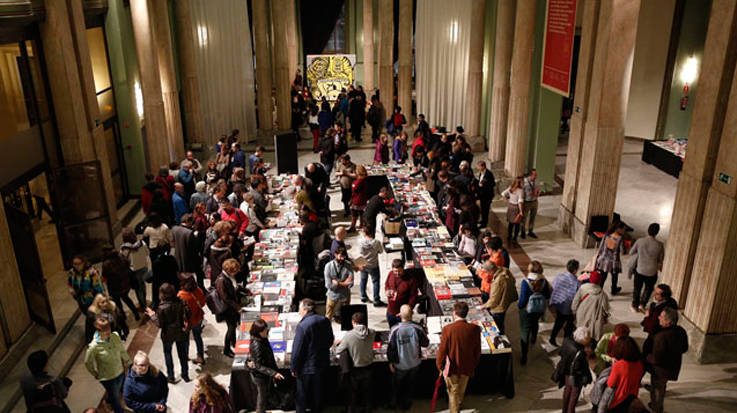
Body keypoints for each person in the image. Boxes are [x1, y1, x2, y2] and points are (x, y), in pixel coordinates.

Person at [436, 302, 481, 413]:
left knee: (453, 392)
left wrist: (439, 366)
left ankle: (454, 410)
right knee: (461, 389)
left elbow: (442, 350)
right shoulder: (474, 328)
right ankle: (458, 404)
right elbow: (477, 350)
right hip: (467, 365)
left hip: (452, 368)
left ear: (454, 313)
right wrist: (473, 363)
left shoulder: (448, 329)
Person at [291, 299, 334, 413]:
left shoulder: (303, 326)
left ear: (305, 309)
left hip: (306, 368)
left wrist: (294, 367)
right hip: (322, 364)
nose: (299, 312)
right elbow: (330, 340)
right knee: (318, 396)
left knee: (302, 398)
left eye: (300, 309)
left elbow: (297, 349)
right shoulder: (324, 320)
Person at [644, 307, 688, 413]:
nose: (659, 317)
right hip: (672, 366)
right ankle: (657, 405)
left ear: (668, 321)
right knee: (662, 386)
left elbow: (656, 359)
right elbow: (685, 348)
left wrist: (647, 357)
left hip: (661, 370)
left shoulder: (661, 336)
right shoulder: (681, 331)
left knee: (657, 389)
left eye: (662, 316)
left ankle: (656, 407)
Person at [84, 317, 131, 413]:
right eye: (105, 330)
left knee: (118, 391)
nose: (108, 331)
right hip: (108, 377)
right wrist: (95, 373)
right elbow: (87, 362)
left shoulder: (115, 336)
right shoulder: (94, 347)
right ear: (98, 330)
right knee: (115, 398)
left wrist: (129, 362)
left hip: (120, 371)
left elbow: (121, 350)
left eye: (109, 328)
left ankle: (108, 400)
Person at [146, 283, 190, 383]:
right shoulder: (181, 301)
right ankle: (185, 375)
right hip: (180, 332)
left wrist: (152, 315)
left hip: (167, 334)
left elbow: (160, 324)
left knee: (167, 353)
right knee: (182, 354)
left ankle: (171, 376)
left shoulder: (162, 308)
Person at [387, 305, 428, 410]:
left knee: (396, 386)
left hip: (400, 365)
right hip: (415, 363)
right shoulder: (418, 328)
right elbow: (425, 343)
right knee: (410, 385)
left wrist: (391, 362)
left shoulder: (395, 329)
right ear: (412, 314)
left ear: (399, 315)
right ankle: (406, 404)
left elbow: (391, 348)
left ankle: (393, 403)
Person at [335, 312, 375, 412]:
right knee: (368, 392)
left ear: (353, 322)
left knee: (352, 393)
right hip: (369, 367)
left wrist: (341, 342)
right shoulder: (372, 332)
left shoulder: (349, 336)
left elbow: (338, 350)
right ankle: (368, 409)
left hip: (355, 369)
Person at [518, 261, 552, 365]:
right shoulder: (544, 282)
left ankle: (524, 355)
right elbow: (547, 296)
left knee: (524, 330)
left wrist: (520, 307)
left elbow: (523, 300)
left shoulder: (526, 282)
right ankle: (533, 338)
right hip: (538, 310)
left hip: (527, 311)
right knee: (535, 323)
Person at [552, 327, 593, 413]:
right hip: (576, 377)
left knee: (567, 392)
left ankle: (564, 410)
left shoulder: (566, 341)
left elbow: (561, 353)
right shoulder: (580, 352)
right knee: (574, 396)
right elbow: (580, 367)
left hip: (566, 372)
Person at [249, 319, 285, 413]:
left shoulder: (261, 338)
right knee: (262, 396)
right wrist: (273, 373)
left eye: (266, 330)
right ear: (258, 332)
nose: (267, 332)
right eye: (264, 331)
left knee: (264, 394)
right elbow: (258, 365)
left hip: (264, 373)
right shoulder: (257, 345)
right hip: (260, 376)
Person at [603, 337, 645, 412]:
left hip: (618, 400)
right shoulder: (639, 364)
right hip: (632, 398)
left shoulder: (618, 365)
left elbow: (610, 384)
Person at [629, 223, 665, 312]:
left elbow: (631, 252)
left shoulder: (640, 241)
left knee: (637, 288)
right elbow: (661, 259)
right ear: (657, 232)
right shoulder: (660, 244)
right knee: (648, 289)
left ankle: (634, 305)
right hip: (652, 271)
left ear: (648, 230)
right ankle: (642, 304)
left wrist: (640, 253)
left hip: (640, 269)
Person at [101, 246, 140, 321]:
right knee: (127, 299)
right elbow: (128, 264)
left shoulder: (106, 264)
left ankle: (123, 316)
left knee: (118, 303)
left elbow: (104, 276)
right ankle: (136, 314)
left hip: (114, 287)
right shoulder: (121, 256)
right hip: (125, 283)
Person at [477, 263, 518, 334]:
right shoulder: (505, 270)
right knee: (501, 321)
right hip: (506, 301)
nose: (487, 274)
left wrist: (483, 306)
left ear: (491, 271)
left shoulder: (498, 281)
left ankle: (500, 337)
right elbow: (514, 281)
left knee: (498, 324)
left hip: (499, 307)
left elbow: (494, 300)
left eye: (487, 272)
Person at [549, 259, 581, 346]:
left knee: (558, 322)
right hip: (568, 307)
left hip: (559, 304)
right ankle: (565, 344)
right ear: (575, 270)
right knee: (569, 326)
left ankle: (552, 338)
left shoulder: (559, 276)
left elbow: (553, 286)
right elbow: (577, 296)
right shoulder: (576, 282)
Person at [571, 270, 610, 341]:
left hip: (582, 314)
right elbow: (606, 309)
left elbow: (575, 302)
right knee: (591, 336)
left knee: (581, 334)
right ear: (599, 281)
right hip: (595, 318)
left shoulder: (583, 288)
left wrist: (574, 312)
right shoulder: (603, 294)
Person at [215, 259, 242, 357]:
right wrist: (237, 307)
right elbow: (225, 298)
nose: (236, 272)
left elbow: (235, 287)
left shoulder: (229, 277)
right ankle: (226, 349)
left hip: (232, 308)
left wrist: (245, 290)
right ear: (229, 270)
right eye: (235, 270)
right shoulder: (221, 281)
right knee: (231, 328)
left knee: (233, 326)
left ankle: (234, 343)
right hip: (227, 309)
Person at [178, 274, 207, 365]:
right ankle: (200, 356)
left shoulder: (181, 295)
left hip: (187, 321)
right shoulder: (198, 290)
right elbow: (202, 304)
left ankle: (185, 356)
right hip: (197, 318)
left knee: (185, 339)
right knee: (198, 337)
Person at [121, 228, 151, 310]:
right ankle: (144, 301)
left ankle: (142, 305)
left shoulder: (124, 249)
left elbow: (123, 260)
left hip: (134, 271)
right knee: (143, 286)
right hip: (144, 267)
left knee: (138, 288)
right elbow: (147, 253)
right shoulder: (142, 243)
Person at [385, 259, 420, 327]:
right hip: (390, 311)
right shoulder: (390, 274)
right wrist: (387, 290)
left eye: (399, 271)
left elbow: (413, 296)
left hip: (402, 315)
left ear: (403, 269)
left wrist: (406, 311)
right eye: (395, 271)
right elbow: (387, 284)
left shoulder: (411, 280)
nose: (397, 273)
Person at [357, 227, 386, 307]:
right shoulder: (376, 242)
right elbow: (380, 251)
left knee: (363, 280)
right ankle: (376, 300)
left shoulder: (360, 242)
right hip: (373, 265)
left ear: (364, 233)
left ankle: (363, 296)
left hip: (363, 264)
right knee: (375, 282)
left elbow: (360, 252)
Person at [324, 246, 354, 322]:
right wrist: (344, 283)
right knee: (328, 316)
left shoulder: (348, 265)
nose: (342, 258)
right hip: (332, 296)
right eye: (340, 256)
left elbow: (350, 284)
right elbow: (328, 285)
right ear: (335, 255)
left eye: (344, 256)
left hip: (345, 296)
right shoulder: (328, 266)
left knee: (346, 316)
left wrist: (337, 283)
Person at [595, 221, 626, 295]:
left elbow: (600, 248)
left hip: (603, 260)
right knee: (615, 276)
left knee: (602, 277)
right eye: (623, 229)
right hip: (614, 262)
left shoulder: (607, 235)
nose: (624, 231)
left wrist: (598, 257)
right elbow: (622, 251)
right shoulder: (620, 238)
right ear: (618, 229)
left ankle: (599, 291)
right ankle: (613, 289)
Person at [502, 176, 525, 243]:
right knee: (517, 224)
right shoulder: (520, 190)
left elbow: (503, 193)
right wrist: (521, 211)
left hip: (510, 207)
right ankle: (515, 238)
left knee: (510, 223)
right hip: (516, 207)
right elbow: (520, 202)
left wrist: (507, 200)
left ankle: (509, 236)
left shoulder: (510, 188)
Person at [521, 169, 540, 239]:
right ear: (530, 175)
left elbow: (538, 189)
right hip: (527, 202)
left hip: (534, 201)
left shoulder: (536, 181)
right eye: (534, 175)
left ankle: (530, 231)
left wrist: (537, 193)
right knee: (524, 218)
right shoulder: (525, 182)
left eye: (536, 175)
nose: (536, 176)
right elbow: (522, 192)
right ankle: (522, 231)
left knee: (533, 217)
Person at [349, 165, 369, 232]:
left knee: (354, 214)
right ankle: (361, 225)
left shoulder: (360, 180)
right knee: (361, 213)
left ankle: (353, 227)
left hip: (357, 200)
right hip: (362, 199)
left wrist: (353, 184)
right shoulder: (365, 179)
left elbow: (354, 187)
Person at [476, 161, 496, 228]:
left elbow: (492, 184)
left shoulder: (488, 174)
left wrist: (484, 184)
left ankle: (484, 223)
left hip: (487, 195)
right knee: (483, 208)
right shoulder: (481, 173)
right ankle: (482, 220)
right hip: (482, 195)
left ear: (483, 166)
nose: (477, 168)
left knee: (486, 209)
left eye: (478, 166)